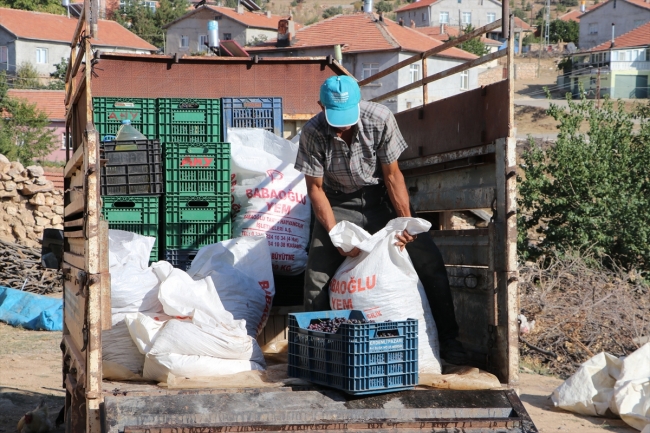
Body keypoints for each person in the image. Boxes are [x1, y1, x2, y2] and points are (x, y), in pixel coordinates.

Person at [295, 75, 467, 365]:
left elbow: (392, 175)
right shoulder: (312, 132)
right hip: (337, 202)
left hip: (379, 200)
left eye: (348, 116)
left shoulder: (380, 118)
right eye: (335, 118)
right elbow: (315, 189)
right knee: (317, 276)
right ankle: (319, 354)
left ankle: (450, 341)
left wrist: (405, 223)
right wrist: (335, 233)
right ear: (320, 107)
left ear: (359, 103)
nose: (344, 125)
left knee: (428, 259)